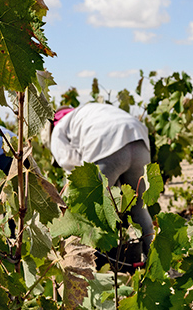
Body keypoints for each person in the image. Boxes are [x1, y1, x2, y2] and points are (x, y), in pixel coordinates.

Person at [49, 103, 154, 255]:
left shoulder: (58, 129)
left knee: (91, 213)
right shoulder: (87, 113)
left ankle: (94, 261)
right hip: (138, 140)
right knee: (139, 207)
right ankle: (152, 260)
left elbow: (75, 171)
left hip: (107, 145)